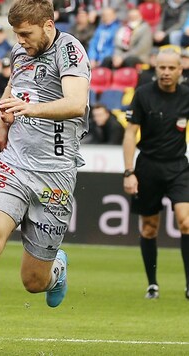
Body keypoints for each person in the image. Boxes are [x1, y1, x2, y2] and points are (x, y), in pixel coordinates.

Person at [0, 0, 90, 355]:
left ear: (48, 25)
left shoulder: (71, 51)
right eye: (16, 34)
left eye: (26, 34)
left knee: (33, 282)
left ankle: (56, 269)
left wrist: (30, 109)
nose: (21, 40)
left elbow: (76, 103)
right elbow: (13, 88)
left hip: (56, 176)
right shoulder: (19, 51)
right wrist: (2, 112)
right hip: (13, 164)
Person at [122, 48, 189, 300]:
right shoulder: (143, 94)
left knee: (186, 221)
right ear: (156, 68)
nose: (166, 72)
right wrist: (129, 171)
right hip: (147, 166)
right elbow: (130, 133)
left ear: (180, 70)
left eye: (171, 68)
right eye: (162, 67)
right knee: (149, 228)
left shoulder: (186, 95)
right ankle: (152, 284)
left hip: (178, 166)